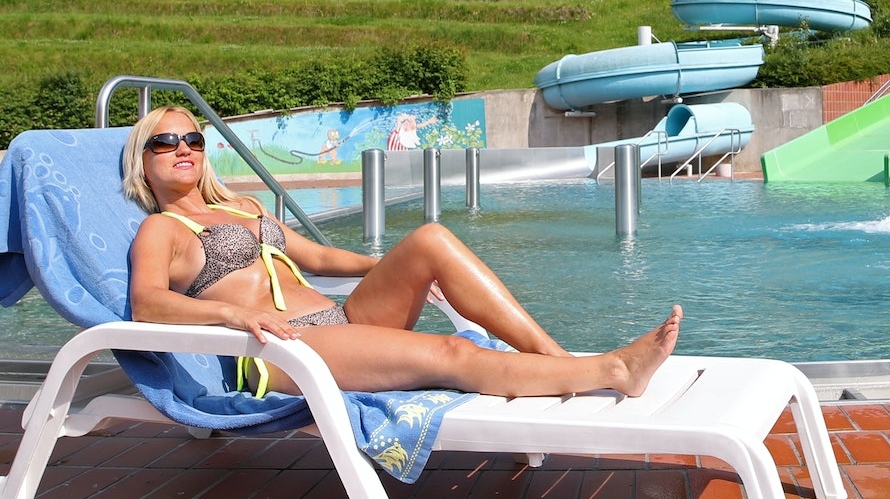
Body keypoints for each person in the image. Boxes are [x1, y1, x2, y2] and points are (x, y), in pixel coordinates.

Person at [124, 105, 681, 399]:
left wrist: (390, 267)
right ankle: (613, 370)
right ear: (142, 161)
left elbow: (318, 259)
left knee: (429, 239)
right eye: (165, 142)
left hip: (340, 321)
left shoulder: (245, 207)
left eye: (193, 139)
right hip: (283, 349)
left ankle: (558, 361)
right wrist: (235, 315)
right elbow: (147, 304)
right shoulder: (161, 230)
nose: (182, 148)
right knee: (450, 352)